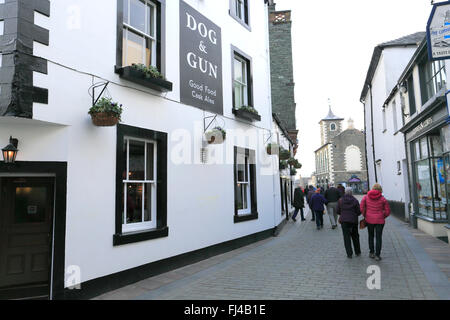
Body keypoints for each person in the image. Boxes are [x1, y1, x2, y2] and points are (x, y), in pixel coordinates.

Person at [360, 183, 391, 261]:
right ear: (380, 189)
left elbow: (361, 207)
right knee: (378, 237)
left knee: (371, 236)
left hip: (369, 219)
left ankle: (371, 252)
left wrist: (365, 215)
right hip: (380, 221)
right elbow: (388, 211)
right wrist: (383, 216)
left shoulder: (366, 197)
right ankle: (377, 255)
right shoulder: (382, 199)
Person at [337, 187, 361, 259]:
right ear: (351, 192)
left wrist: (342, 214)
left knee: (346, 237)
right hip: (353, 220)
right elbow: (359, 211)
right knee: (355, 236)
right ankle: (357, 251)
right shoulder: (355, 200)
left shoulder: (340, 200)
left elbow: (338, 211)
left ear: (345, 192)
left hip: (344, 221)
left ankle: (349, 253)